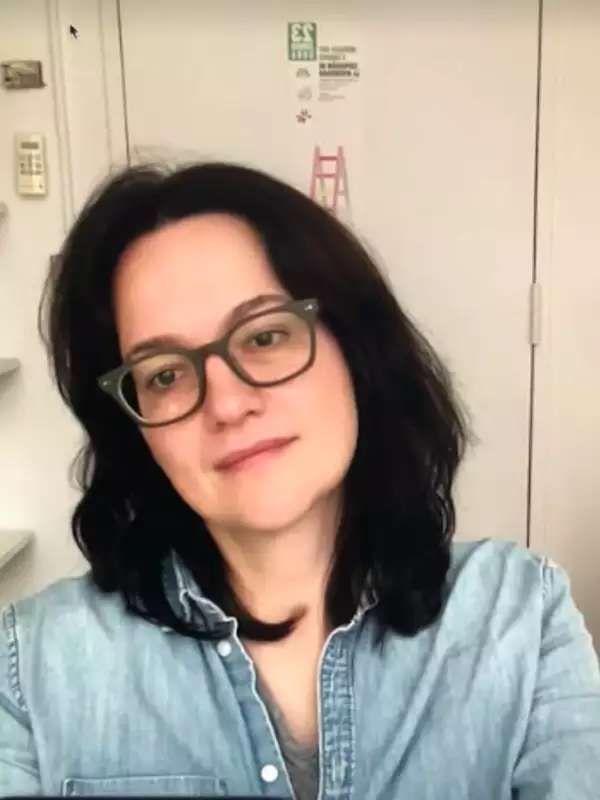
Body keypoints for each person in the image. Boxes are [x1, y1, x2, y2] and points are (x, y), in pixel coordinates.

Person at [1, 162, 599, 799]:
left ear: (357, 351)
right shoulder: (32, 665)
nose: (227, 404)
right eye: (165, 375)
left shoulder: (520, 617)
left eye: (264, 336)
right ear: (135, 427)